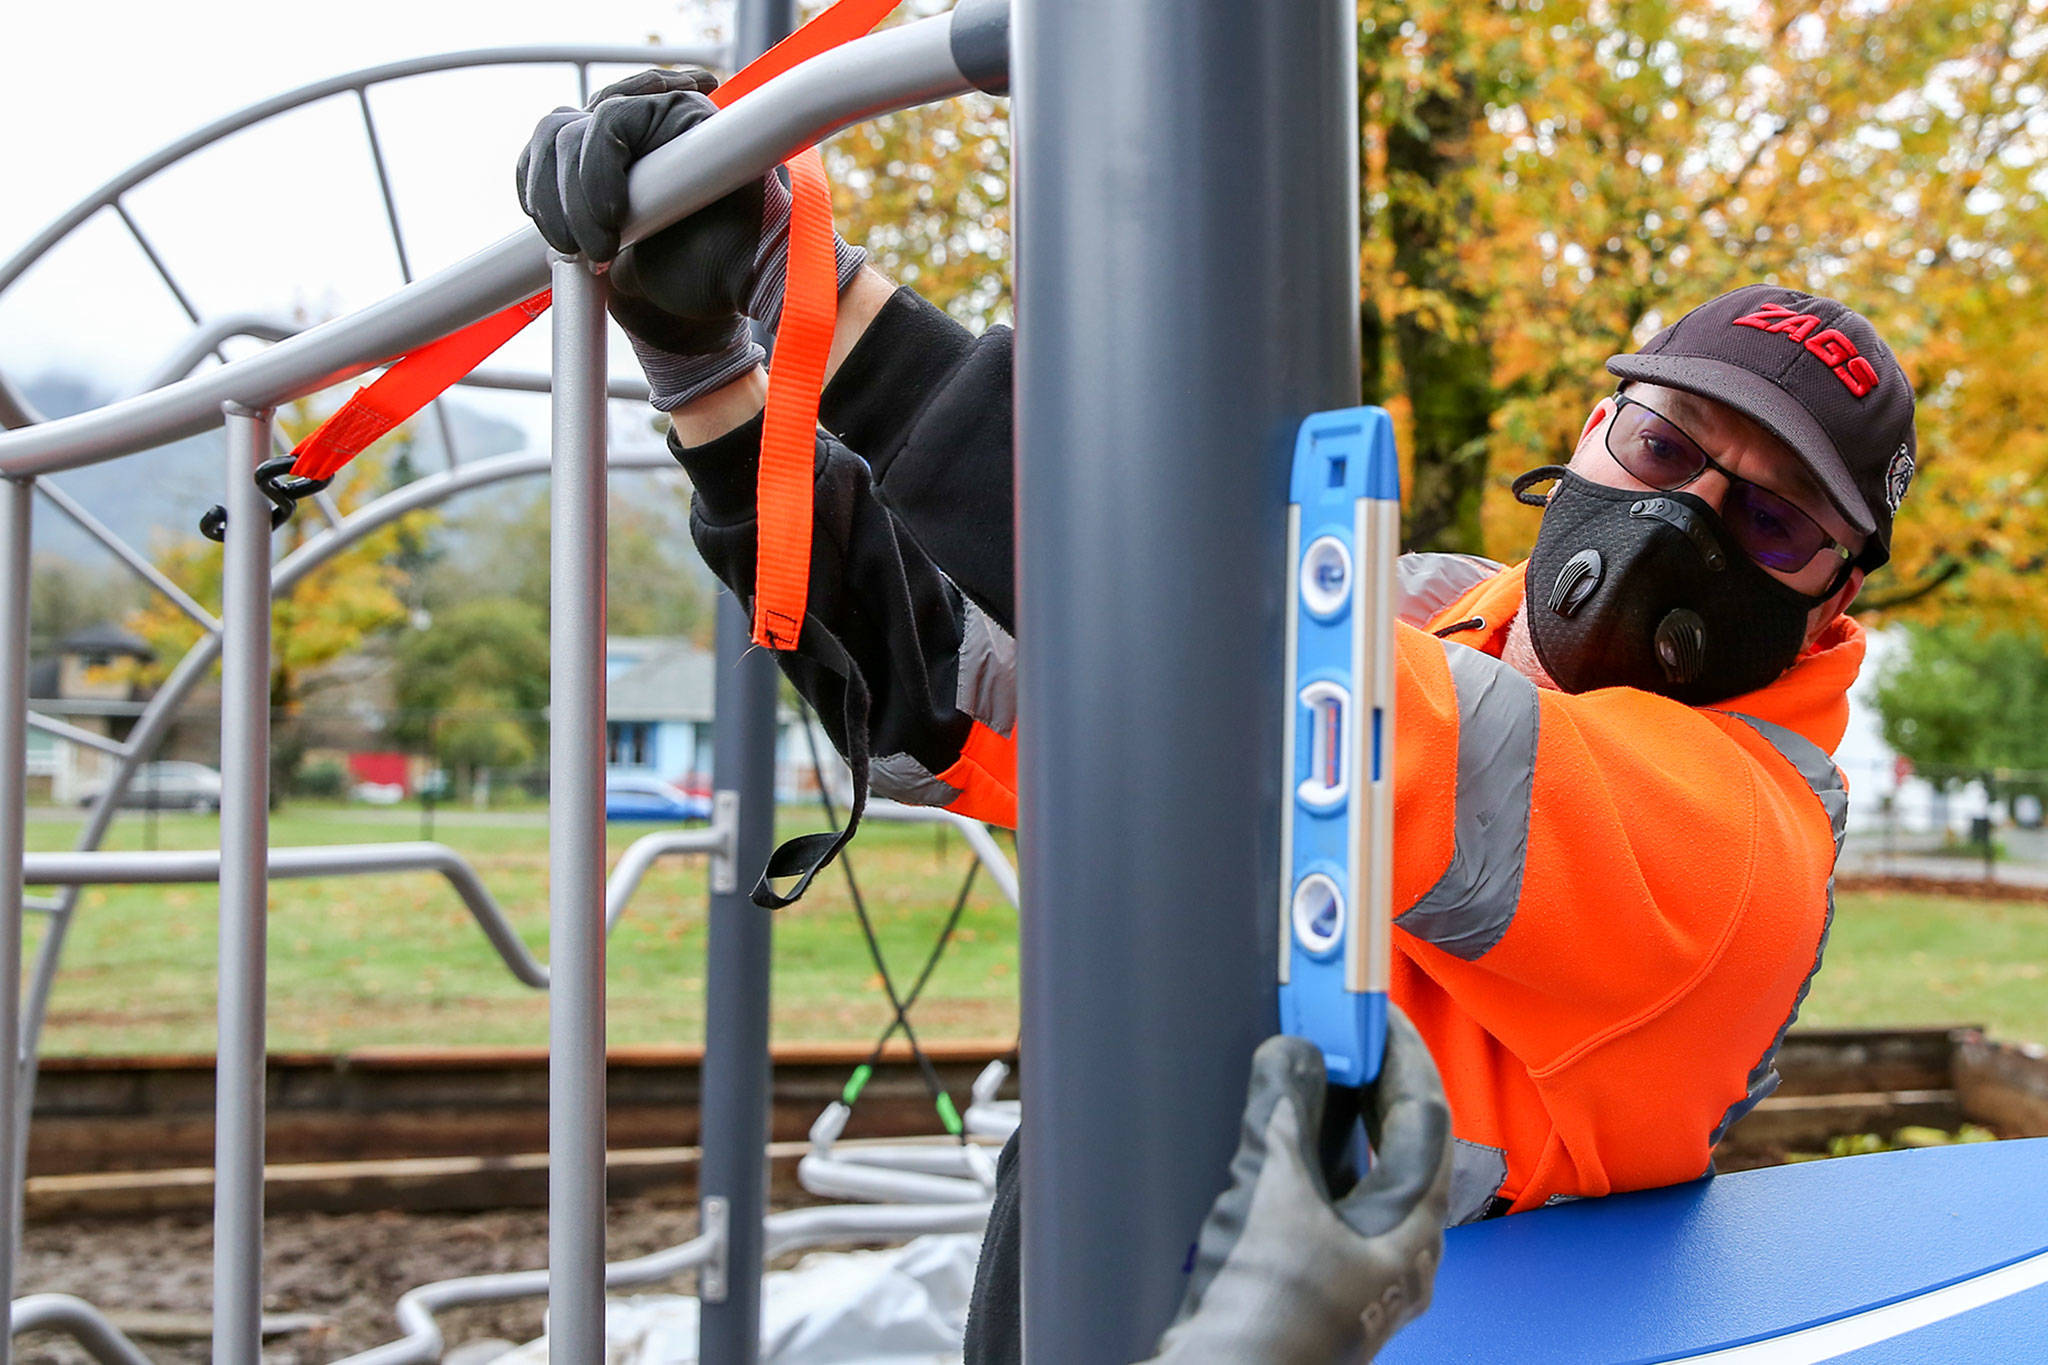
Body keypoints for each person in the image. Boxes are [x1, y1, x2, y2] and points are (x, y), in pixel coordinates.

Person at [518, 69, 1914, 1361]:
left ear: (1833, 600)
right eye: (1664, 445)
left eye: (1776, 521)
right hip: (1130, 1259)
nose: (1684, 520)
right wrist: (711, 377)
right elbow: (968, 692)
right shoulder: (1429, 605)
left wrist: (790, 269)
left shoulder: (1743, 839)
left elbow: (1272, 673)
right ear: (1593, 428)